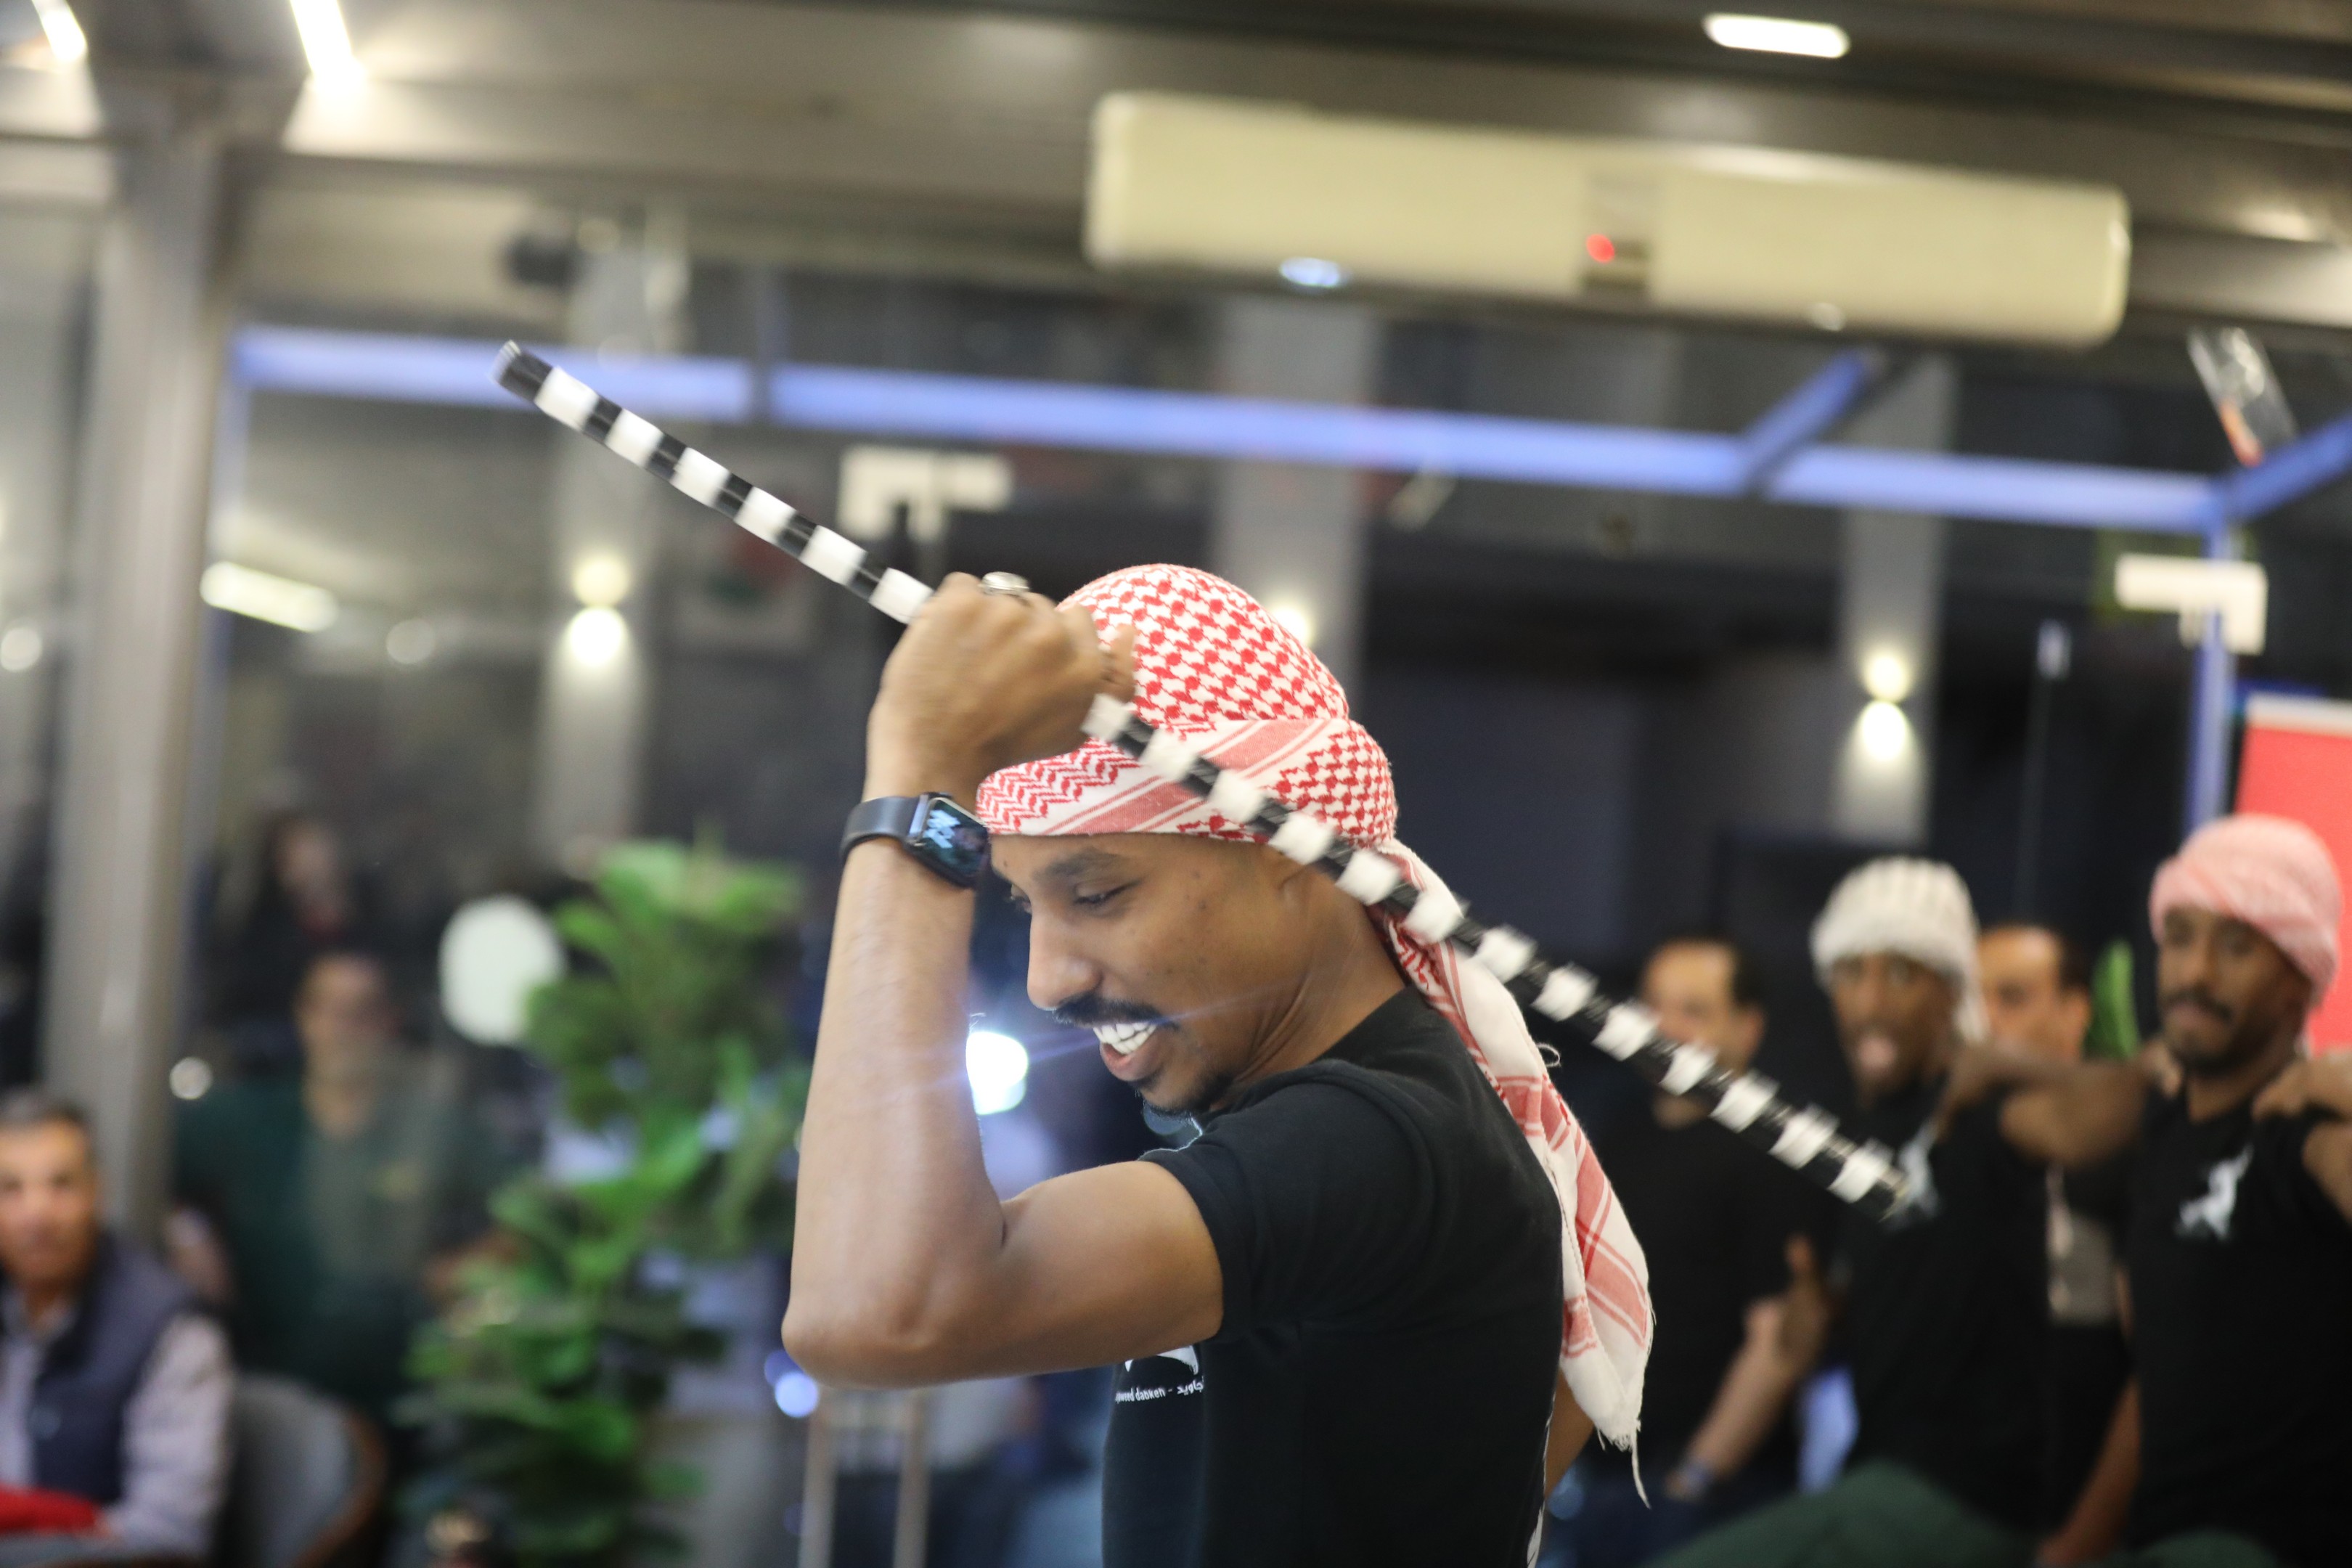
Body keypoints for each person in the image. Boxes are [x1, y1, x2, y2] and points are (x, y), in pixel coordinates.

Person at [783, 565, 1651, 1568]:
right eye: (1026, 905)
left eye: (1096, 895)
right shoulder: (1374, 1124)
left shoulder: (1377, 1138)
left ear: (1288, 845)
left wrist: (915, 778)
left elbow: (875, 1314)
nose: (1047, 981)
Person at [1947, 814, 2352, 1567]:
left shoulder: (2304, 1129)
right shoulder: (2162, 1121)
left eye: (2237, 947)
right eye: (2181, 937)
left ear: (2300, 980)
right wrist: (2069, 1552)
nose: (2196, 973)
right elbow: (2155, 1387)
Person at [1660, 857, 2054, 1568]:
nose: (1870, 1002)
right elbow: (1806, 1333)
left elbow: (2123, 1106)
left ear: (1951, 987)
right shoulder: (1844, 1137)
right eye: (1849, 973)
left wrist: (2014, 1063)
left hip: (1973, 1492)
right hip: (1872, 1473)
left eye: (1901, 973)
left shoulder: (1988, 1115)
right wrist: (1814, 1309)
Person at [1548, 936, 1825, 1565]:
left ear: (1748, 1027)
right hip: (1603, 1481)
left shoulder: (1774, 1151)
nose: (1665, 1027)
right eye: (1652, 1005)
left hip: (1715, 1493)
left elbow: (1778, 1344)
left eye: (1694, 1010)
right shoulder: (1618, 1136)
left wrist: (1694, 1480)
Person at [173, 949, 510, 1421]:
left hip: (398, 1384)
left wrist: (464, 1268)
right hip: (268, 1380)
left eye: (361, 1012)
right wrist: (188, 1231)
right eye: (328, 1008)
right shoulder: (251, 1118)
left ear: (388, 1022)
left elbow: (529, 1208)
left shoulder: (429, 1128)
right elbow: (158, 1166)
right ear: (303, 1016)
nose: (343, 1028)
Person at [0, 1091, 233, 1559]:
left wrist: (36, 1523)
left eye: (61, 1184)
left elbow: (170, 1533)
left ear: (97, 1192)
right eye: (11, 1189)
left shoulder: (170, 1331)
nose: (37, 1214)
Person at [1976, 920, 2133, 1556]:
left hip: (2086, 1506)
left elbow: (2157, 1370)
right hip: (1967, 1493)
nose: (1984, 1021)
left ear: (2075, 1011)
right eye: (1971, 998)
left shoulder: (2128, 1145)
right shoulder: (1946, 1135)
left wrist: (2077, 1543)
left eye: (2011, 997)